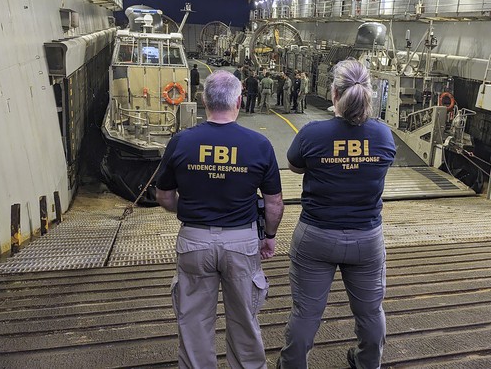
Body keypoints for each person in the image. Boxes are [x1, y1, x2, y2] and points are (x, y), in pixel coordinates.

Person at [156, 70, 284, 369]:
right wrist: (269, 236)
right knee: (244, 320)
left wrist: (187, 213)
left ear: (203, 100)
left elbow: (163, 196)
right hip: (241, 242)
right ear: (238, 101)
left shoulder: (182, 142)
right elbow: (274, 202)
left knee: (194, 323)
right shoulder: (259, 143)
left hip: (194, 242)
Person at [277, 59, 396, 369]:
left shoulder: (312, 133)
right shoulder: (383, 136)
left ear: (334, 94)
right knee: (370, 312)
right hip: (366, 238)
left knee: (305, 313)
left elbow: (295, 166)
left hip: (316, 235)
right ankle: (367, 362)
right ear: (369, 93)